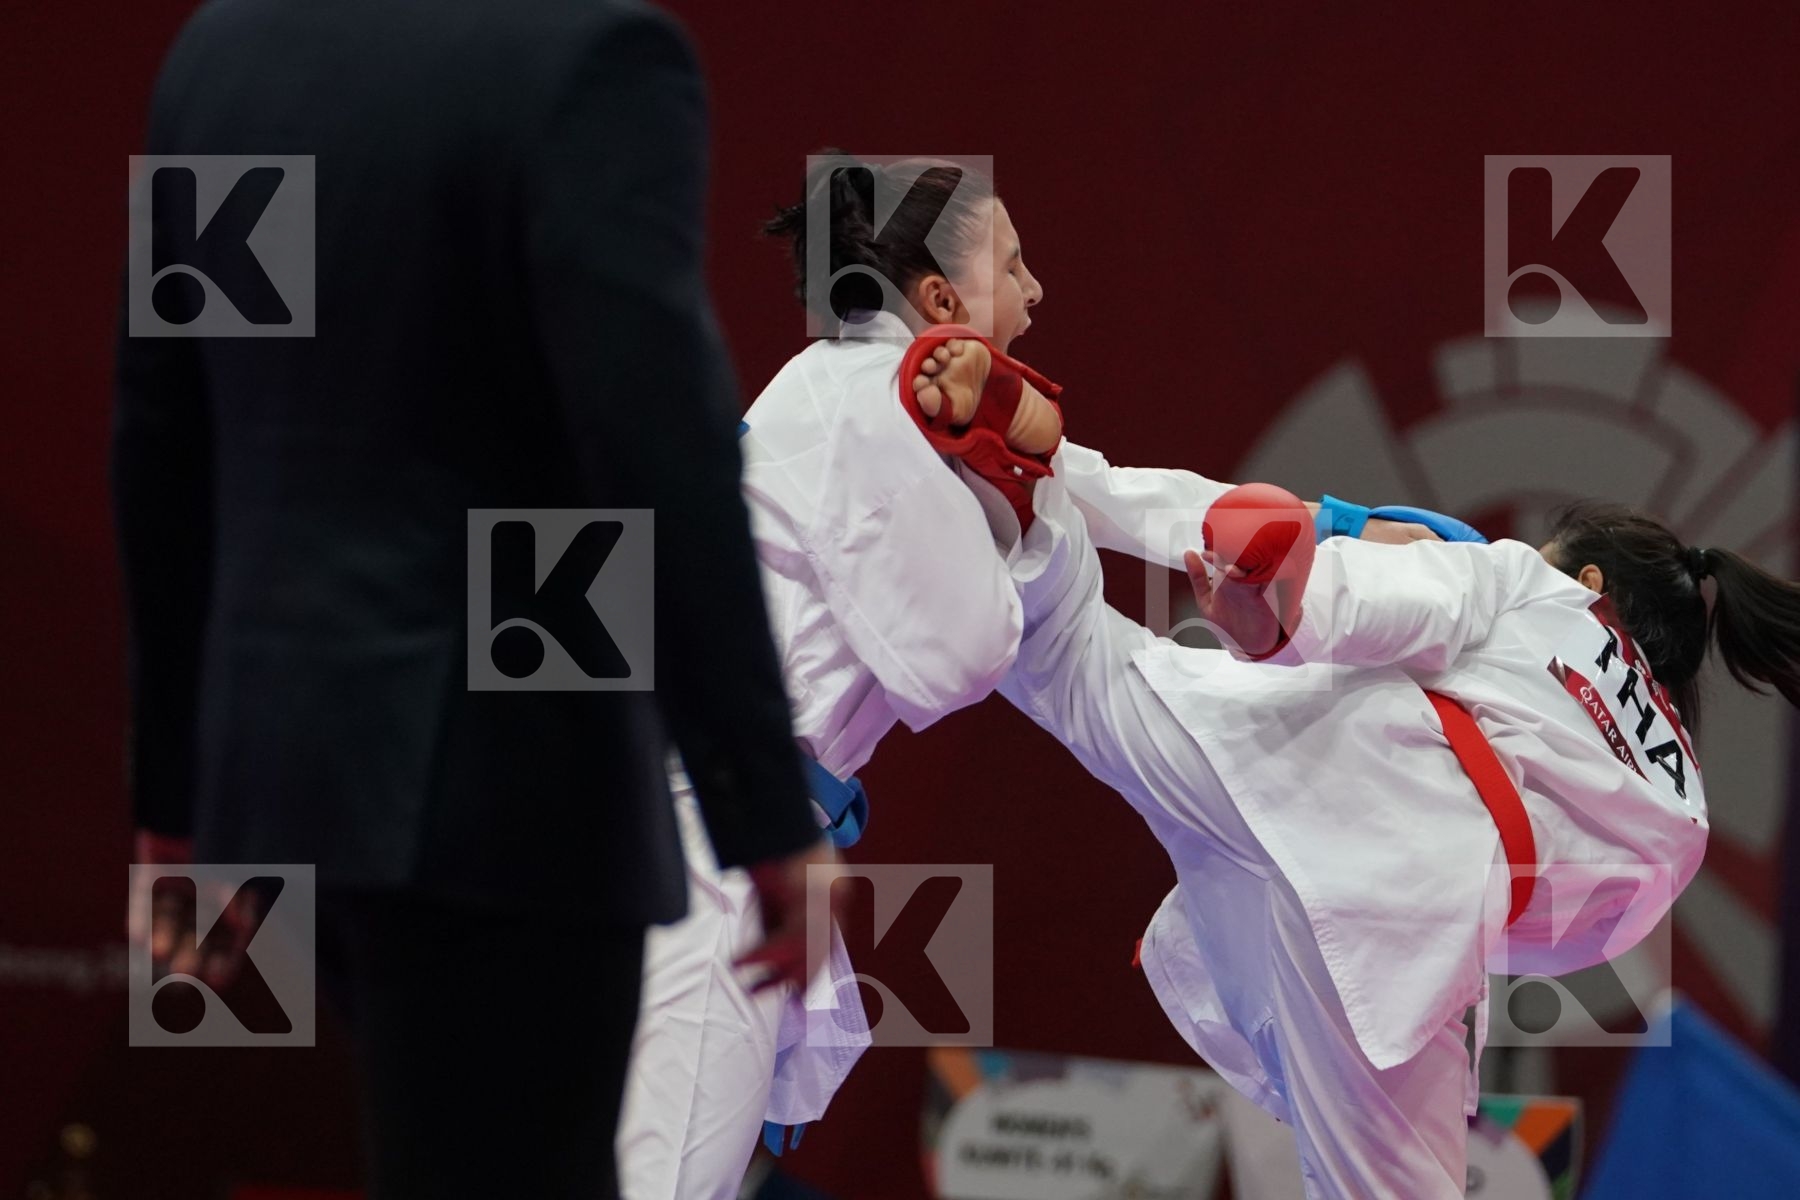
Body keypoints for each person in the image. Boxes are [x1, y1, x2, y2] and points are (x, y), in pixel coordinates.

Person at [614, 153, 1450, 1199]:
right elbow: (957, 658)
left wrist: (1334, 529)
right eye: (1014, 264)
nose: (1038, 289)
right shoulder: (868, 397)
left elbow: (1118, 493)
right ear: (941, 299)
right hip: (707, 831)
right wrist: (1022, 520)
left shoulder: (913, 403)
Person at [113, 2, 826, 1197]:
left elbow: (163, 437)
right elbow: (661, 449)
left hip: (297, 774)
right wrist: (766, 813)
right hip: (506, 775)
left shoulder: (224, 54)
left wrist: (179, 802)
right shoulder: (594, 57)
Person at [918, 382, 1799, 1197]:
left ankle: (1009, 479)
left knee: (1078, 662)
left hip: (1307, 770)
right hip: (1405, 932)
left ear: (1592, 582)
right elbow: (1558, 940)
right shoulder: (1683, 819)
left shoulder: (1529, 583)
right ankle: (1018, 486)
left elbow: (1392, 599)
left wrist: (1289, 609)